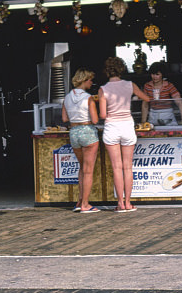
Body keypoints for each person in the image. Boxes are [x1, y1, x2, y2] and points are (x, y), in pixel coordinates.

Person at [98, 56, 149, 212]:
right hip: (127, 126)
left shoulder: (103, 89)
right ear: (121, 69)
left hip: (112, 127)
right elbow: (147, 98)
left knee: (116, 167)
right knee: (128, 167)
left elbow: (102, 115)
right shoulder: (130, 85)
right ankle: (128, 203)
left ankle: (120, 204)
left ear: (107, 71)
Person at [61, 69, 100, 213]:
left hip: (74, 133)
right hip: (88, 132)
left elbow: (65, 119)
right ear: (84, 81)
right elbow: (95, 120)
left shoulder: (67, 97)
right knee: (88, 171)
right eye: (90, 80)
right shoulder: (88, 98)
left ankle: (79, 201)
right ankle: (85, 205)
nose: (91, 83)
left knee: (82, 168)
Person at [141, 62, 182, 126]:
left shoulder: (169, 86)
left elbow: (179, 103)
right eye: (153, 74)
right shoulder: (147, 86)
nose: (154, 77)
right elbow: (145, 105)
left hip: (168, 116)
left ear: (162, 74)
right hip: (153, 116)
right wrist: (143, 122)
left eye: (157, 74)